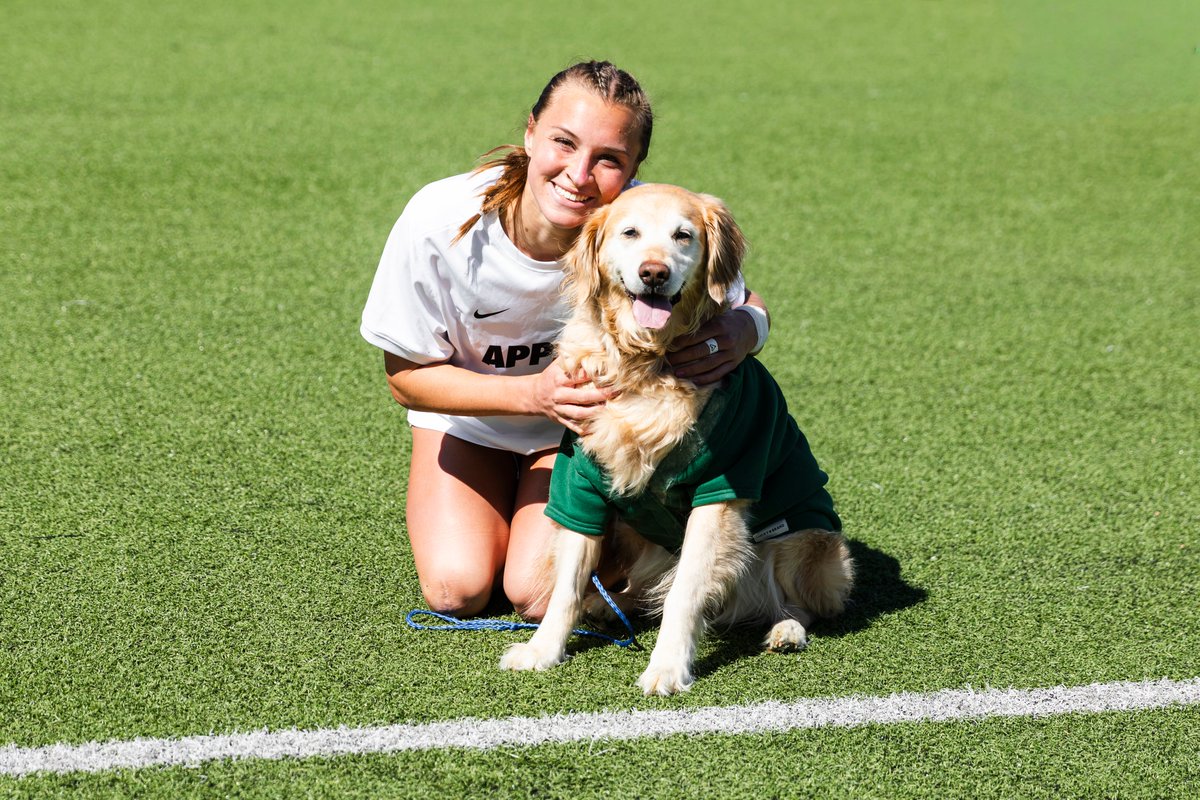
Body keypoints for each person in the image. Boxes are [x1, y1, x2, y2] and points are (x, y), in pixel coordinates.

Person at [361, 61, 771, 620]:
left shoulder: (646, 223)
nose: (579, 174)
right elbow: (406, 380)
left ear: (632, 171)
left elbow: (744, 301)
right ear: (530, 132)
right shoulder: (439, 218)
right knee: (456, 591)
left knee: (535, 595)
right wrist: (535, 395)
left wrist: (746, 331)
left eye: (608, 159)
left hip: (576, 434)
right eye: (563, 142)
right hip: (472, 421)